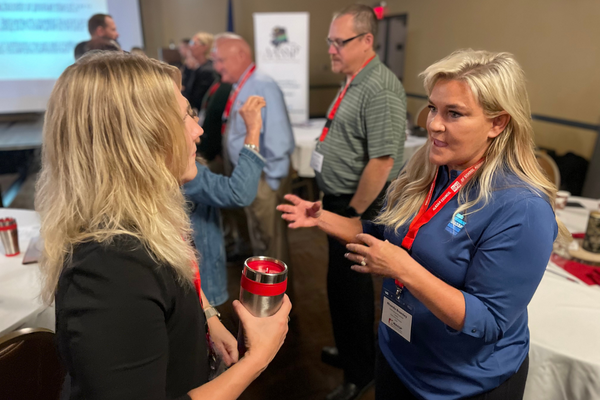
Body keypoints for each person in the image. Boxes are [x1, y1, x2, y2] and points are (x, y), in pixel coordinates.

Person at [278, 49, 569, 400]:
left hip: (461, 384)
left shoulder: (521, 206)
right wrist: (321, 217)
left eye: (454, 113)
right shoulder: (429, 166)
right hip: (398, 357)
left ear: (498, 123)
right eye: (433, 108)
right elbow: (389, 237)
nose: (433, 124)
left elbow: (489, 320)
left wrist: (402, 268)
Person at [37, 52, 291, 400]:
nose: (198, 129)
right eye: (183, 117)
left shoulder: (145, 212)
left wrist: (208, 317)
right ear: (137, 139)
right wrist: (257, 359)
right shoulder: (111, 268)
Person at [312, 5, 407, 399]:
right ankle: (352, 349)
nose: (331, 49)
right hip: (342, 200)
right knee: (339, 284)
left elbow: (381, 162)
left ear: (367, 41)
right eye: (330, 41)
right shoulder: (354, 78)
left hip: (358, 205)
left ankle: (361, 369)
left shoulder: (379, 86)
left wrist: (352, 213)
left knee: (351, 287)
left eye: (339, 41)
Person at [212, 33, 295, 263]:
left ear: (240, 55)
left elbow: (279, 140)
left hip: (264, 180)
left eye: (220, 60)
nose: (217, 67)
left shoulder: (262, 85)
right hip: (251, 177)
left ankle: (277, 288)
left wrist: (271, 184)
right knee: (260, 238)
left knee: (271, 244)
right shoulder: (243, 84)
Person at [184, 96, 266, 306]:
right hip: (202, 285)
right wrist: (253, 130)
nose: (198, 129)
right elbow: (239, 192)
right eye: (185, 116)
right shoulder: (182, 171)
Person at [184, 32, 217, 111]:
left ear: (204, 47)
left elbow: (194, 99)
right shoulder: (198, 67)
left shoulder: (207, 70)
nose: (190, 46)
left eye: (193, 43)